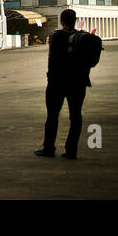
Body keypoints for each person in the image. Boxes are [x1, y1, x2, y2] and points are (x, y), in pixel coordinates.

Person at [34, 9, 91, 160]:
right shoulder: (83, 37)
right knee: (76, 116)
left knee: (52, 116)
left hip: (57, 83)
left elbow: (52, 60)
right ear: (75, 20)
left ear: (62, 21)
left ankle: (49, 148)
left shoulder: (56, 36)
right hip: (78, 83)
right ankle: (71, 151)